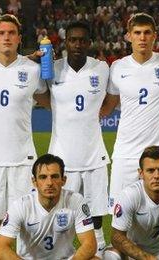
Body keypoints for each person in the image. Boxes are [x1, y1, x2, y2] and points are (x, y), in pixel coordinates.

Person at [0, 14, 50, 258]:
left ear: (19, 38)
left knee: (26, 222)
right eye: (2, 33)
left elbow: (47, 99)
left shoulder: (32, 70)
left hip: (23, 158)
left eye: (11, 33)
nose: (6, 37)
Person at [47, 20, 113, 257]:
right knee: (62, 214)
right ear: (66, 42)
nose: (77, 44)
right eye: (73, 39)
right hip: (62, 156)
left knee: (96, 213)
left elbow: (112, 99)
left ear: (89, 43)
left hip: (94, 154)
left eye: (82, 40)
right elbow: (41, 96)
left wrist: (100, 113)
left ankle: (100, 250)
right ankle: (60, 252)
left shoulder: (102, 68)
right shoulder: (52, 68)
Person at [105, 13, 159, 210]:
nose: (142, 37)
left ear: (154, 35)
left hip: (158, 152)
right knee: (119, 212)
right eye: (137, 33)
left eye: (147, 32)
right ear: (129, 36)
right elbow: (109, 105)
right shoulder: (117, 67)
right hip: (125, 153)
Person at [0, 154, 97, 259]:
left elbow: (90, 244)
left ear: (63, 180)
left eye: (54, 176)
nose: (49, 183)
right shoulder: (21, 206)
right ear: (34, 182)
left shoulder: (76, 201)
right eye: (43, 177)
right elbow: (0, 249)